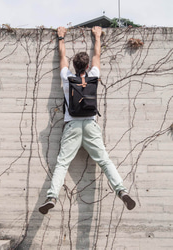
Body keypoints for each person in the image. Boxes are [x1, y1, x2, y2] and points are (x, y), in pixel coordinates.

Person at [39, 26, 136, 215]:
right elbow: (97, 55)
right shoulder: (93, 76)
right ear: (87, 66)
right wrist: (97, 36)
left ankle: (51, 197)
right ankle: (121, 190)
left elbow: (61, 55)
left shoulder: (67, 78)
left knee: (62, 163)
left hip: (72, 126)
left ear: (74, 66)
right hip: (90, 125)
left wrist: (61, 36)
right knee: (105, 161)